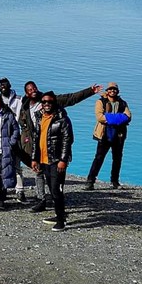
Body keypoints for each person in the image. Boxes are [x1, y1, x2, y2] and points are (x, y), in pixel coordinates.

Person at [18, 80, 101, 212]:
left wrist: (90, 91)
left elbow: (71, 98)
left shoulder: (49, 100)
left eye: (34, 88)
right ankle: (41, 199)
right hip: (36, 144)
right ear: (26, 93)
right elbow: (24, 125)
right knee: (38, 172)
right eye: (30, 89)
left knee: (54, 179)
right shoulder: (25, 105)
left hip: (53, 146)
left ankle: (58, 207)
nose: (33, 91)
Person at [31, 91, 73, 232]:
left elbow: (68, 141)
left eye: (49, 102)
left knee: (56, 190)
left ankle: (61, 221)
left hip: (56, 160)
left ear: (54, 103)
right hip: (44, 160)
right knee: (52, 189)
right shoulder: (39, 117)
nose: (46, 104)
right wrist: (34, 159)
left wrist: (63, 160)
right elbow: (36, 140)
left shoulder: (62, 119)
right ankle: (58, 214)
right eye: (44, 102)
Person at [84, 82, 131, 190]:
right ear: (107, 90)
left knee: (117, 158)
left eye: (114, 89)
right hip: (104, 133)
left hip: (119, 135)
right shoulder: (101, 101)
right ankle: (90, 181)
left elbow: (128, 116)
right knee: (99, 157)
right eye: (110, 89)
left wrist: (109, 118)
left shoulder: (123, 103)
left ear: (117, 91)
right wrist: (119, 119)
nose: (112, 91)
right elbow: (100, 117)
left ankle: (114, 182)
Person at [0, 77, 25, 202]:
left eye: (4, 84)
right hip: (1, 137)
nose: (2, 86)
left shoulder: (19, 100)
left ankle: (20, 190)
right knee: (2, 165)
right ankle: (2, 191)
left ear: (9, 84)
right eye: (0, 84)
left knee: (17, 165)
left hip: (16, 136)